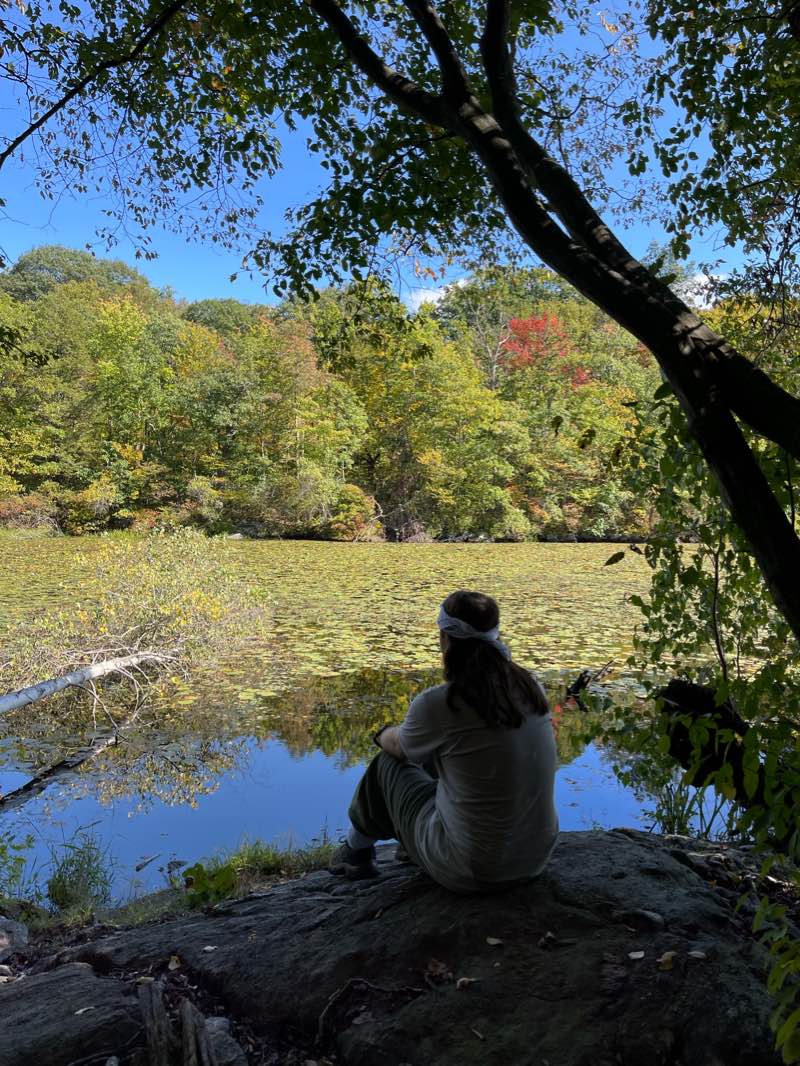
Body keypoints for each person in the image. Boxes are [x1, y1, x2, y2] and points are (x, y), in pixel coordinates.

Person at [328, 589, 559, 893]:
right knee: (454, 757)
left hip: (472, 871)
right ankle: (409, 847)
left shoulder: (441, 703)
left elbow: (400, 748)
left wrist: (381, 732)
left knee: (387, 763)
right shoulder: (532, 688)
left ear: (446, 639)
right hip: (534, 861)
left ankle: (355, 853)